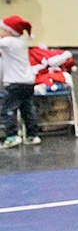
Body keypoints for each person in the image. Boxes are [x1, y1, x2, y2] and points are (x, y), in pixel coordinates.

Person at [0, 15, 40, 148]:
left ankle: (12, 136)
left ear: (10, 32)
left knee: (8, 110)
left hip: (14, 83)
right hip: (27, 82)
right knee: (27, 109)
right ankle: (32, 135)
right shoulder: (21, 41)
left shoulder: (9, 42)